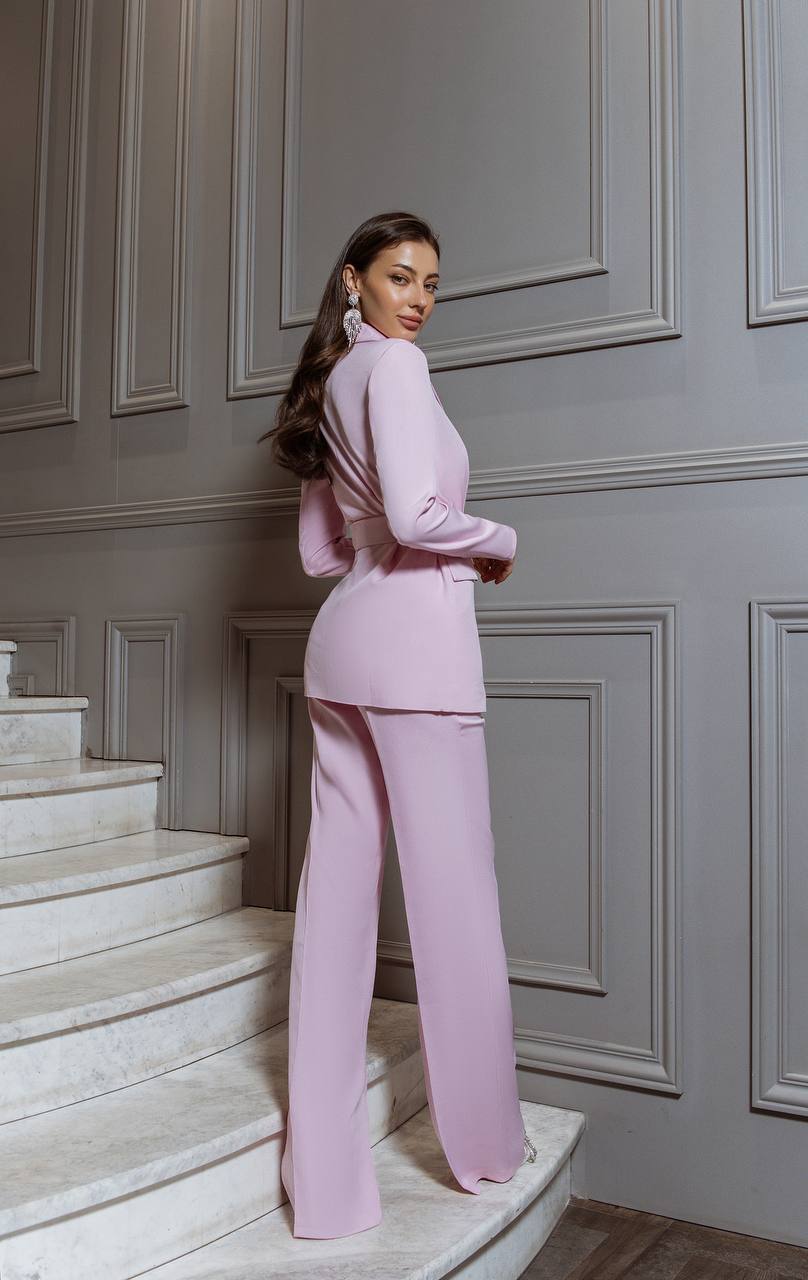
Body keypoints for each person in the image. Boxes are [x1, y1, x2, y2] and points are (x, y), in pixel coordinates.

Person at [262, 210, 537, 1241]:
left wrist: (407, 535)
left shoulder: (330, 384)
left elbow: (324, 554)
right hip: (418, 658)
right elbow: (421, 520)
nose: (417, 296)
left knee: (332, 914)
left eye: (430, 282)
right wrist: (497, 540)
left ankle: (324, 1187)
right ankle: (485, 1145)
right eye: (399, 275)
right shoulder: (401, 376)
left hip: (341, 652)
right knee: (456, 905)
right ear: (354, 280)